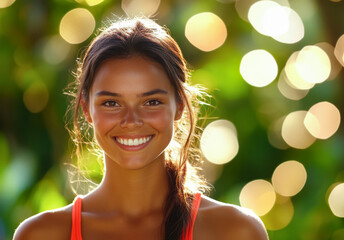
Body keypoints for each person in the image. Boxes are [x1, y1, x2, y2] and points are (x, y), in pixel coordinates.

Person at [13, 17, 269, 240]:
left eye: (151, 102)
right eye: (112, 103)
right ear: (87, 108)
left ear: (179, 106)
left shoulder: (235, 231)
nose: (131, 120)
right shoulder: (41, 235)